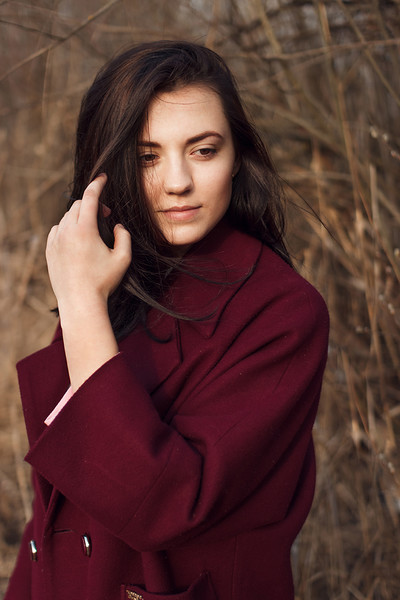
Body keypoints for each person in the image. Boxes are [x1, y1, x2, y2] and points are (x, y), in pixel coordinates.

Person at [6, 41, 329, 600]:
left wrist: (82, 304)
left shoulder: (283, 313)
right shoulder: (110, 278)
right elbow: (52, 514)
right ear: (108, 169)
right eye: (147, 157)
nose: (178, 181)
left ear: (237, 157)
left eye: (203, 150)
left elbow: (166, 503)